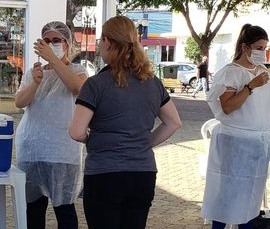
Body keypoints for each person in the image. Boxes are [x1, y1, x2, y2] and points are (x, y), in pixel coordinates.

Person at [69, 16, 182, 229]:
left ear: (108, 42)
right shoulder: (152, 83)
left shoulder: (96, 84)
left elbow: (76, 132)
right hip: (143, 174)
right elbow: (173, 123)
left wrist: (93, 141)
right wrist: (143, 143)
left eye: (102, 39)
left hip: (104, 174)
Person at [201, 24, 270, 229]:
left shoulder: (264, 73)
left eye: (264, 49)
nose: (262, 53)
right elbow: (227, 107)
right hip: (234, 143)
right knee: (226, 194)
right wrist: (251, 86)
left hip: (256, 143)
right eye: (259, 48)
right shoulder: (231, 73)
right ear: (245, 47)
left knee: (251, 194)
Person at [14, 21, 88, 229]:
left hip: (62, 152)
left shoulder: (77, 70)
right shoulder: (34, 72)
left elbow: (77, 88)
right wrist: (35, 82)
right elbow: (20, 102)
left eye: (57, 40)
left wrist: (53, 59)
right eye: (47, 41)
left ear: (67, 43)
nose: (51, 44)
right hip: (32, 150)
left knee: (64, 210)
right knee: (34, 210)